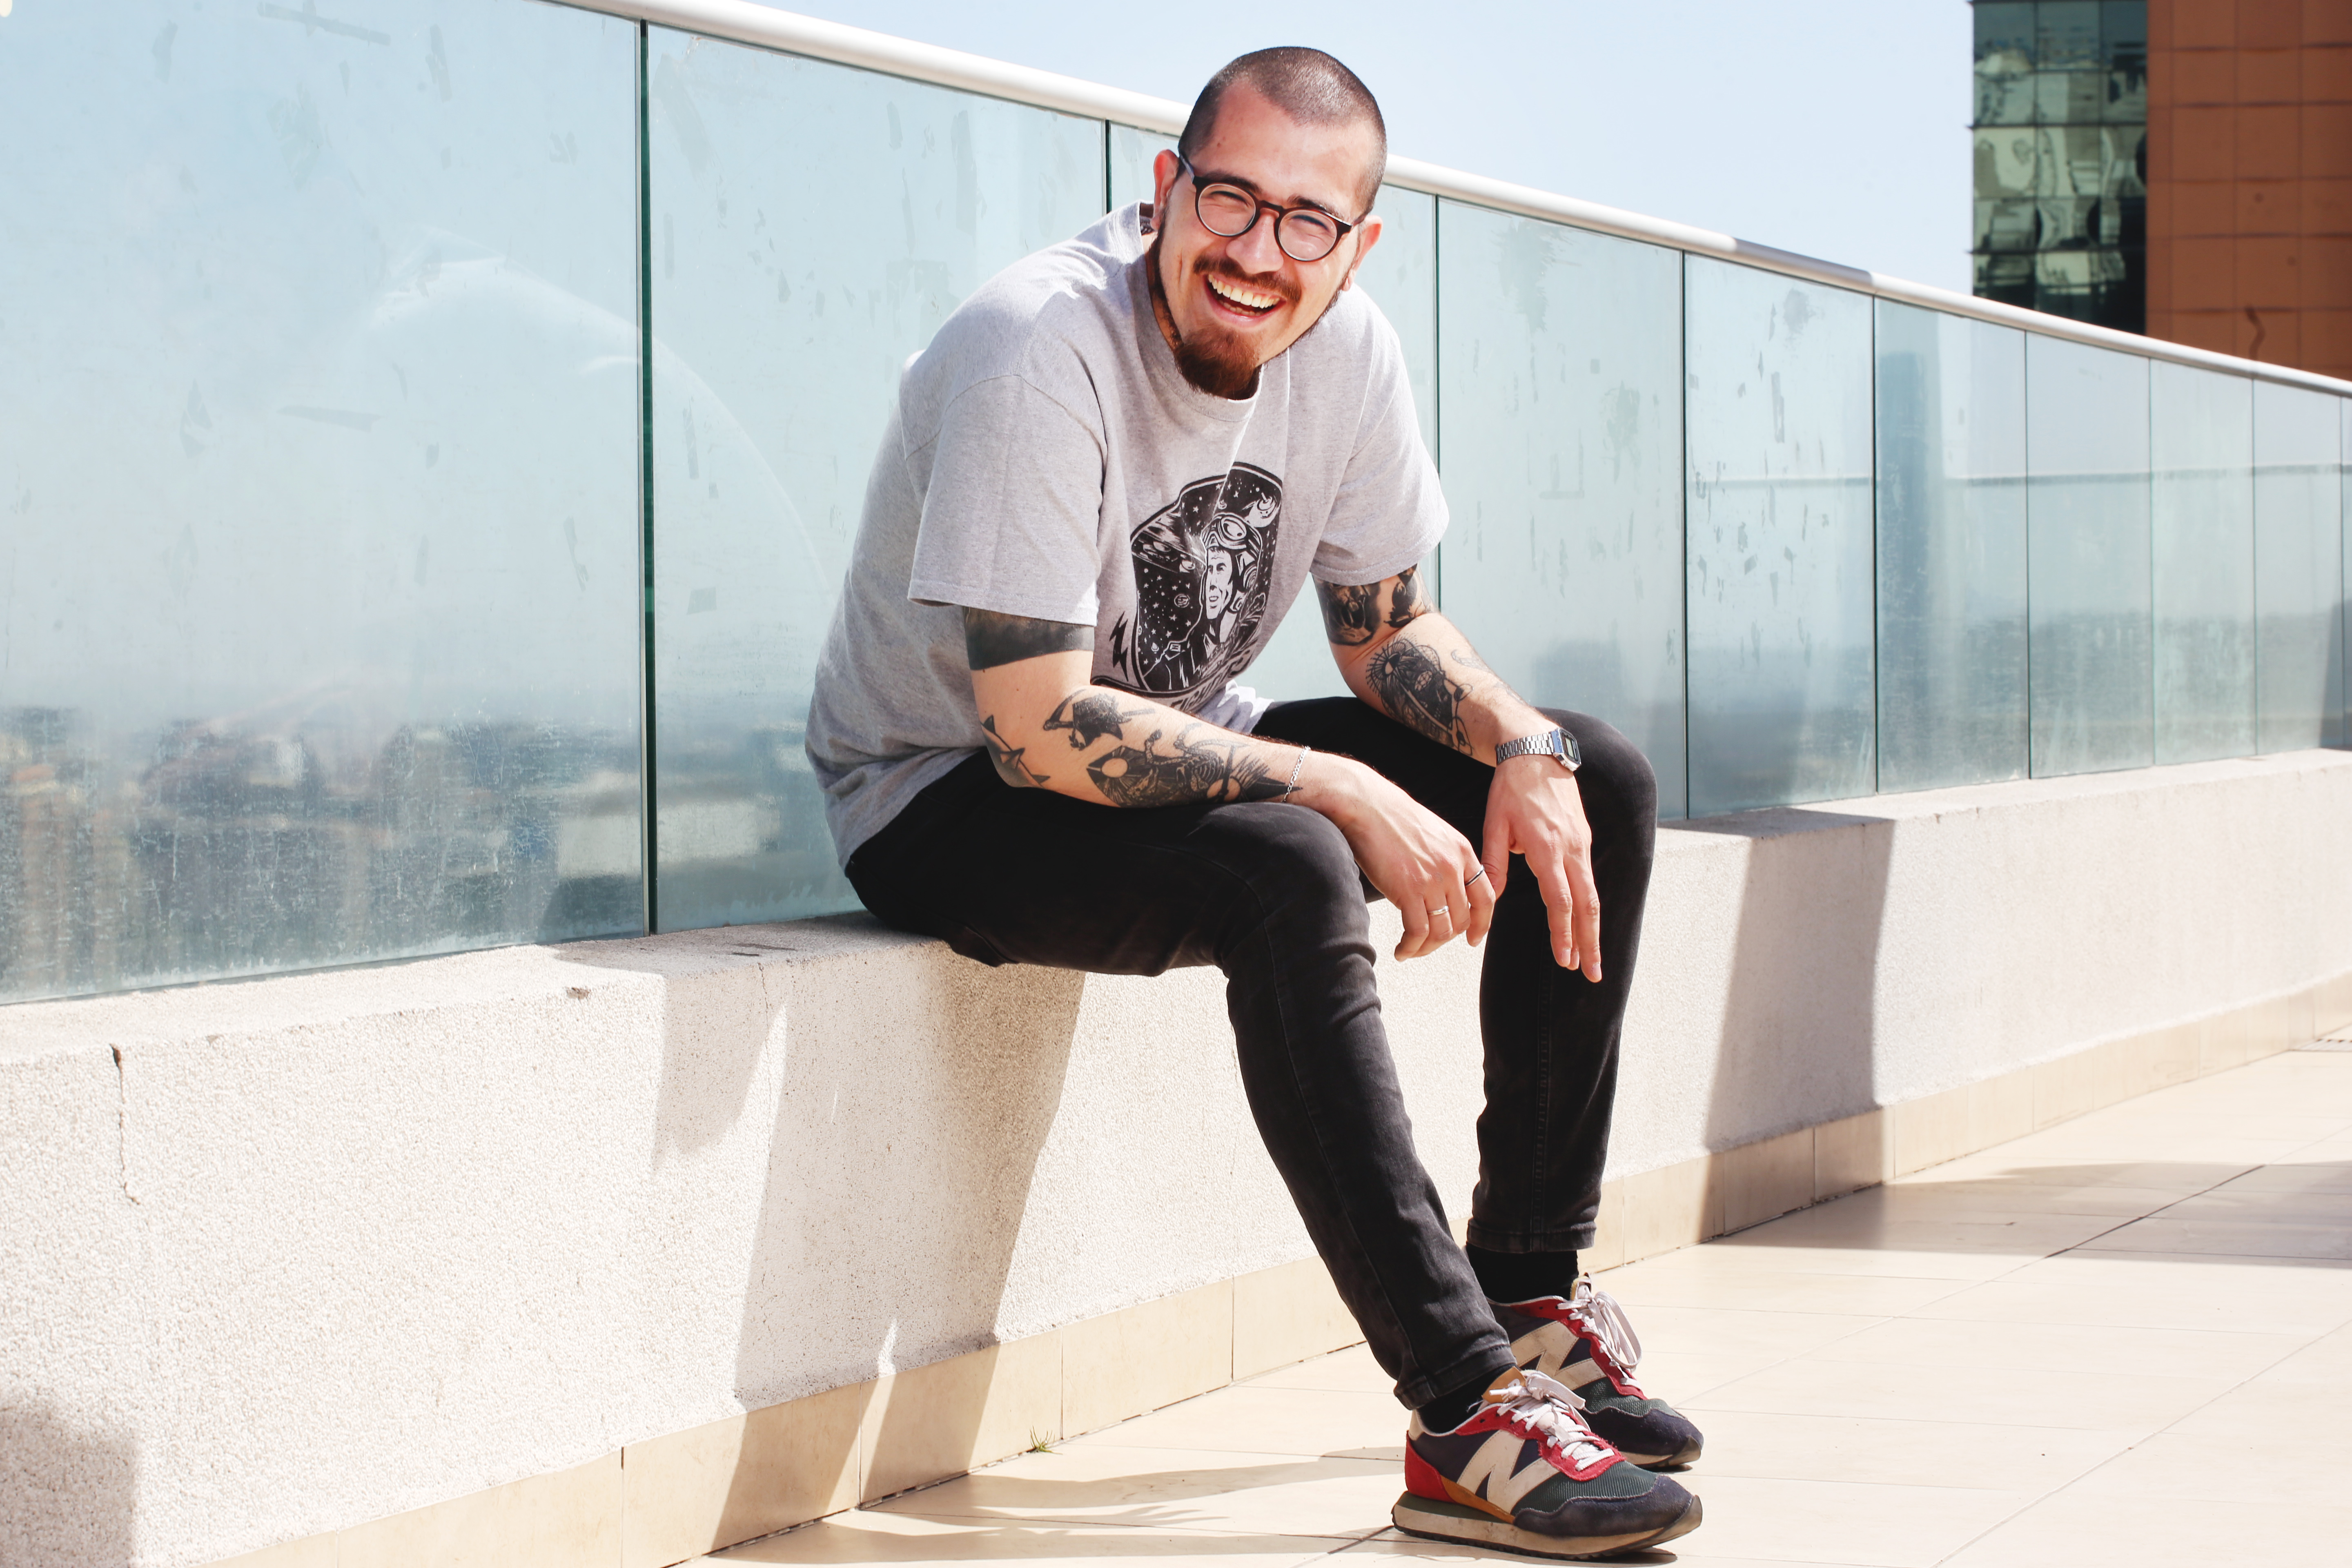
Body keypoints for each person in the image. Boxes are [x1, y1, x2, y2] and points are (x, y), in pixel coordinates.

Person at [807, 46, 1704, 1559]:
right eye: (1231, 199)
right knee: (1290, 861)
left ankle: (1531, 1294)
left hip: (1168, 742)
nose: (1258, 251)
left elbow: (1384, 631)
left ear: (1358, 246)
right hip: (944, 794)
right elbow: (1034, 728)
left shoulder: (1348, 350)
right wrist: (1336, 784)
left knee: (1592, 774)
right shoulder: (1039, 348)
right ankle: (1463, 1409)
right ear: (1168, 189)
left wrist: (1523, 744)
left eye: (1308, 221)